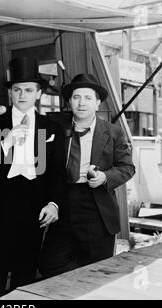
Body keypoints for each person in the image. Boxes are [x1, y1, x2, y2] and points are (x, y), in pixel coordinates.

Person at [0, 57, 67, 300]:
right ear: (10, 94)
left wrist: (54, 203)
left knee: (24, 277)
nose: (23, 94)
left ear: (38, 94)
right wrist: (6, 142)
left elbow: (58, 173)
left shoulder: (52, 128)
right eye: (17, 90)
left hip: (34, 210)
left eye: (28, 90)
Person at [39, 73, 135, 277]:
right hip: (64, 202)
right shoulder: (58, 128)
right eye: (76, 97)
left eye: (88, 97)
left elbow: (127, 167)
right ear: (70, 101)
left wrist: (105, 177)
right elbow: (52, 171)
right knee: (49, 264)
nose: (81, 103)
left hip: (96, 206)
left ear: (98, 102)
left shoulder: (113, 132)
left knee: (97, 272)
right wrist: (53, 202)